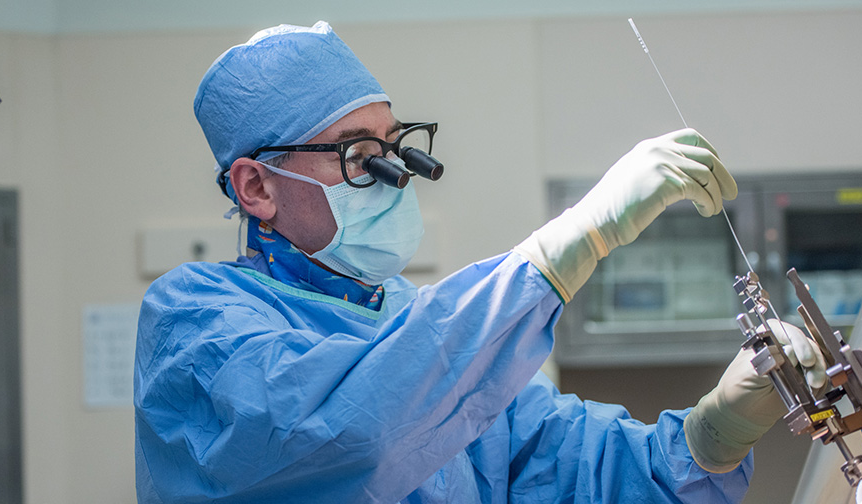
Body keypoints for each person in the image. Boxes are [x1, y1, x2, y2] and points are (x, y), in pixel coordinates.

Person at [135, 21, 826, 503]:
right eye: (355, 153)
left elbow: (566, 465)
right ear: (257, 187)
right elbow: (349, 432)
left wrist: (716, 429)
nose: (392, 173)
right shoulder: (195, 324)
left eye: (391, 144)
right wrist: (570, 242)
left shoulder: (409, 321)